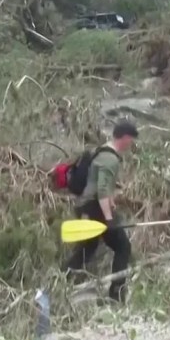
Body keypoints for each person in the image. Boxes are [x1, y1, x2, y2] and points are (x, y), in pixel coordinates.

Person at [65, 120, 138, 302]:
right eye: (131, 140)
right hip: (94, 208)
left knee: (87, 249)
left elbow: (102, 186)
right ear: (125, 138)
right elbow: (103, 190)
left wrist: (111, 204)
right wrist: (108, 218)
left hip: (86, 207)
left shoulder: (102, 152)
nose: (131, 145)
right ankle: (117, 294)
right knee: (123, 247)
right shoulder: (110, 159)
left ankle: (59, 282)